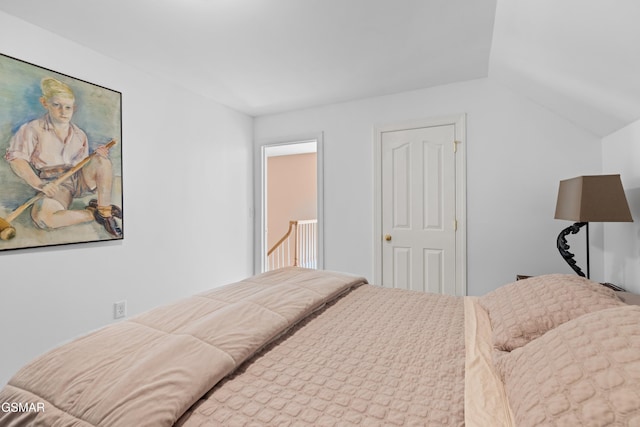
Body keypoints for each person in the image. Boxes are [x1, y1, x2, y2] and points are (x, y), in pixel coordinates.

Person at [4, 77, 122, 237]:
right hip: (54, 183)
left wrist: (96, 156)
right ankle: (94, 214)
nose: (63, 111)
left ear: (74, 107)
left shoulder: (80, 135)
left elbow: (84, 164)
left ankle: (105, 210)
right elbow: (17, 160)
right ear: (45, 103)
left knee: (102, 161)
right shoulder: (32, 129)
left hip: (79, 178)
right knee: (43, 219)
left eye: (68, 107)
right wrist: (39, 184)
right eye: (56, 105)